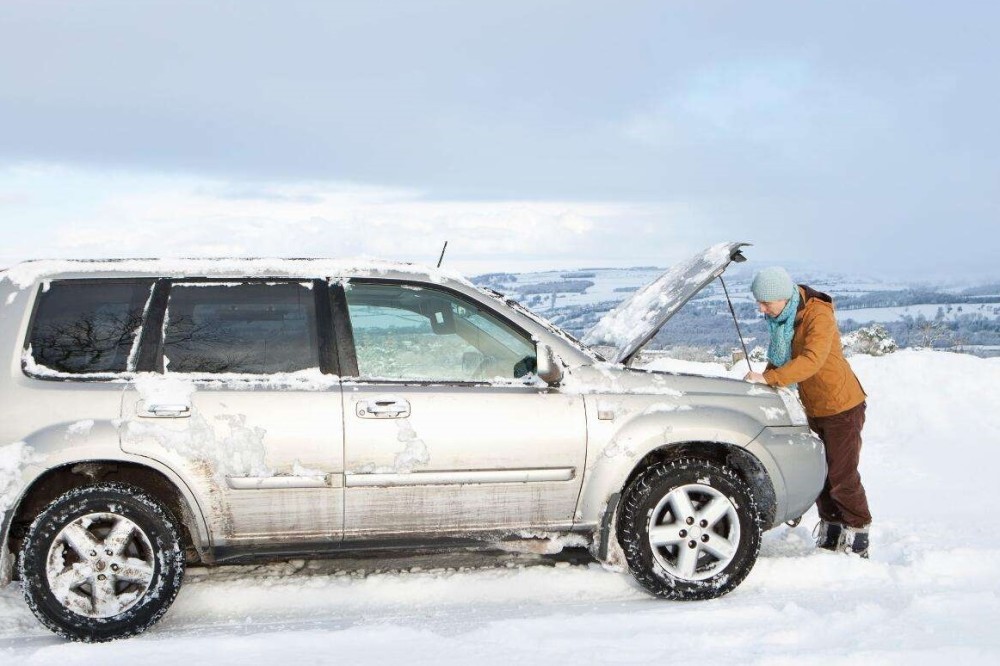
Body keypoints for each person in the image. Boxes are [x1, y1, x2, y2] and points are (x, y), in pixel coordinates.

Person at [744, 267, 871, 557]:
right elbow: (779, 358)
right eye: (759, 302)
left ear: (783, 297)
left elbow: (811, 360)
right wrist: (762, 380)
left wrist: (771, 380)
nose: (761, 309)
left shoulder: (818, 315)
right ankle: (832, 529)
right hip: (813, 407)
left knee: (842, 475)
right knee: (821, 473)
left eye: (766, 303)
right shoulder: (784, 320)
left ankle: (858, 531)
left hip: (841, 406)